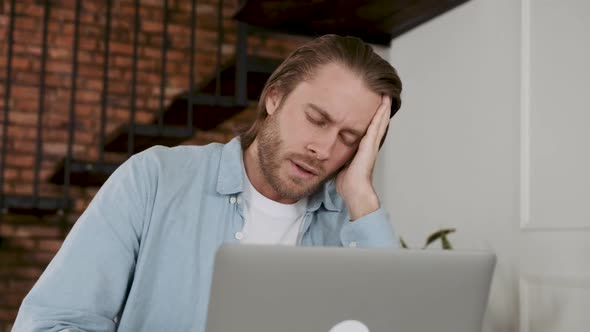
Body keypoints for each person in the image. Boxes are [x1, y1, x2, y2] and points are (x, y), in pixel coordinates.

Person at [12, 34, 403, 331]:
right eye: (316, 119)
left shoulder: (349, 224)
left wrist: (362, 197)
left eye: (348, 138)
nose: (323, 147)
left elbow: (392, 322)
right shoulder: (154, 180)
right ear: (274, 98)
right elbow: (50, 323)